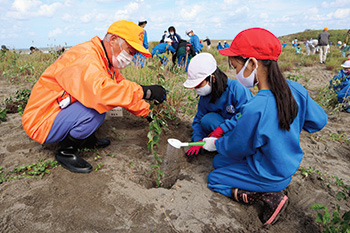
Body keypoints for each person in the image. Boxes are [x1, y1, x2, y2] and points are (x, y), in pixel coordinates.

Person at [201, 28, 328, 225]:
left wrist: (216, 144)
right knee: (219, 162)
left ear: (252, 63)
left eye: (236, 67)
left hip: (265, 172)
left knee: (215, 177)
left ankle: (266, 195)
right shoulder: (296, 89)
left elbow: (238, 147)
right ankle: (265, 187)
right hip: (285, 166)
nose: (236, 73)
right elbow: (319, 121)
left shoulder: (256, 108)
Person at [22, 20, 167, 174]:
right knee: (95, 112)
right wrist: (146, 92)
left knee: (105, 102)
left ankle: (86, 138)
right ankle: (66, 151)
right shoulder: (86, 56)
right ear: (113, 40)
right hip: (42, 119)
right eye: (130, 51)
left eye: (134, 54)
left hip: (59, 110)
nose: (131, 57)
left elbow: (121, 89)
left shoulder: (105, 61)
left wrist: (147, 112)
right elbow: (102, 93)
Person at [183, 53, 253, 160]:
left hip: (241, 131)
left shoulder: (236, 89)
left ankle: (233, 148)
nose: (196, 89)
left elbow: (247, 116)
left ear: (212, 79)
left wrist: (222, 129)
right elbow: (198, 120)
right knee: (207, 119)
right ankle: (222, 145)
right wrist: (197, 139)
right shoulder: (205, 97)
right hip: (225, 132)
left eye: (198, 85)